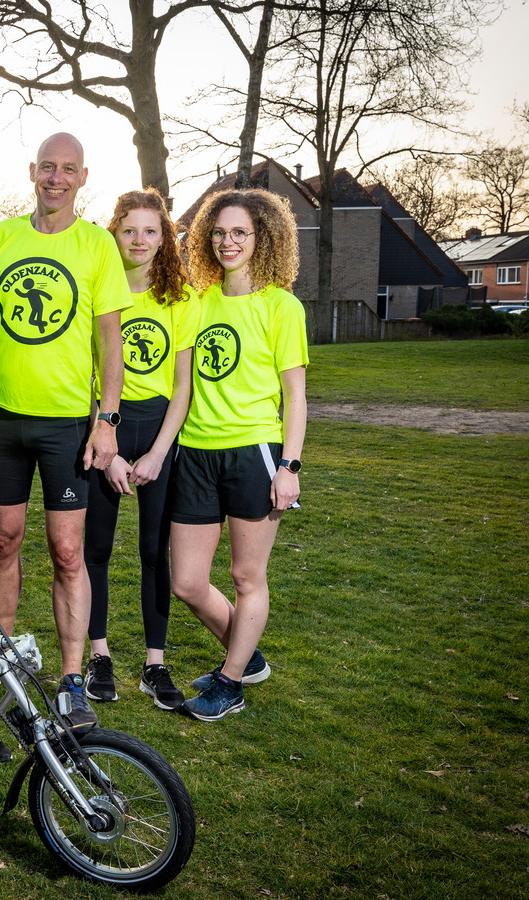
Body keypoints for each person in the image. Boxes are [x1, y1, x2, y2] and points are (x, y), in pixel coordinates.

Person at [0, 133, 130, 731]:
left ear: (84, 177)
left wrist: (106, 420)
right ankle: (0, 671)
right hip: (2, 419)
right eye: (48, 168)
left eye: (69, 170)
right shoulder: (2, 237)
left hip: (66, 425)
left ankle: (71, 679)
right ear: (33, 171)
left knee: (66, 552)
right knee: (3, 541)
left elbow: (110, 338)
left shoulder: (97, 245)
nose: (56, 178)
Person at [170, 188, 307, 722]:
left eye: (240, 233)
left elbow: (294, 394)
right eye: (219, 233)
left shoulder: (281, 306)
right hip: (197, 451)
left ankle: (230, 681)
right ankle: (244, 655)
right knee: (187, 582)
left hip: (254, 451)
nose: (227, 242)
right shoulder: (195, 301)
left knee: (247, 578)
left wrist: (290, 466)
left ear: (262, 238)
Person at [80, 189, 199, 712]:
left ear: (165, 238)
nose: (139, 240)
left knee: (155, 551)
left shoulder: (180, 299)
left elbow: (183, 387)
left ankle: (155, 662)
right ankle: (99, 654)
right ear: (115, 233)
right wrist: (105, 440)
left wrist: (156, 453)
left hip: (156, 430)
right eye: (129, 229)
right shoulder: (96, 292)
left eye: (151, 230)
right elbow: (85, 375)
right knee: (97, 549)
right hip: (106, 424)